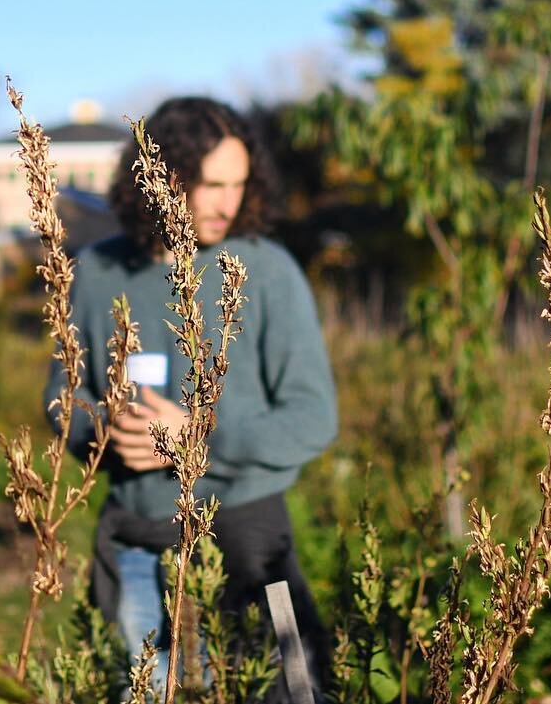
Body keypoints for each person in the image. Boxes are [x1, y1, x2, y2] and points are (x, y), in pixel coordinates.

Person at [44, 96, 336, 696]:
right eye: (209, 184)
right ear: (161, 178)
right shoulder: (98, 273)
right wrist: (103, 431)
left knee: (299, 688)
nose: (227, 201)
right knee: (151, 692)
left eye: (238, 184)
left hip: (257, 543)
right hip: (140, 541)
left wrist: (199, 436)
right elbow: (60, 401)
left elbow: (314, 418)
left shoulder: (269, 270)